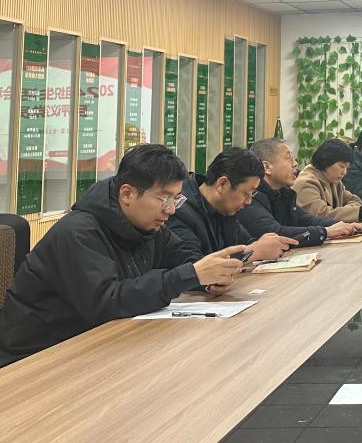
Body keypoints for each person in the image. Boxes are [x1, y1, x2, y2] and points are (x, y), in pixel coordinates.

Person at [0, 145, 245, 367]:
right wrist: (189, 275)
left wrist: (210, 277)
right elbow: (106, 301)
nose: (171, 210)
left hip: (97, 345)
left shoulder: (150, 226)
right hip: (38, 358)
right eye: (164, 198)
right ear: (127, 194)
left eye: (176, 199)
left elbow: (184, 257)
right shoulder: (78, 232)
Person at [166, 147, 296, 260]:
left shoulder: (225, 208)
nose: (249, 201)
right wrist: (253, 252)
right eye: (246, 194)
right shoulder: (179, 210)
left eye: (252, 195)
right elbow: (194, 266)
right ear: (222, 184)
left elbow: (247, 244)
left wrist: (265, 245)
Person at [240, 138, 362, 245]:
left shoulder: (283, 192)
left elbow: (306, 219)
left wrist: (342, 225)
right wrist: (326, 232)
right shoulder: (250, 197)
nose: (295, 163)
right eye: (289, 158)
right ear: (267, 167)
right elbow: (276, 232)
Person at [294, 138, 362, 222]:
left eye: (346, 167)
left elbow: (355, 200)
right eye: (341, 166)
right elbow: (321, 215)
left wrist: (346, 212)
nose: (344, 172)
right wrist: (361, 212)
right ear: (327, 160)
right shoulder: (306, 183)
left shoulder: (332, 180)